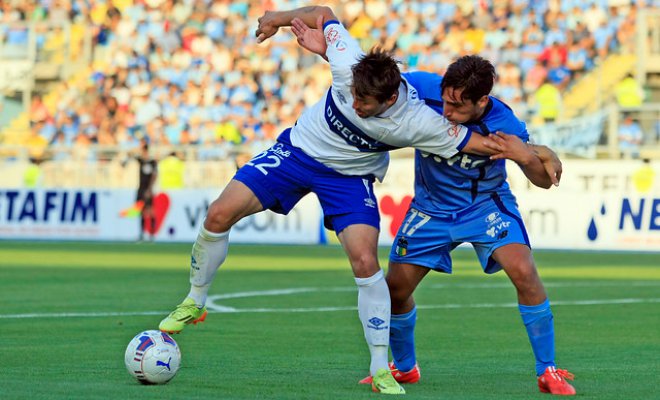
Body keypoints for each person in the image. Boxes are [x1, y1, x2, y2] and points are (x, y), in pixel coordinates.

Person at [157, 5, 552, 395]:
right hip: (297, 153)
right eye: (353, 96)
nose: (355, 104)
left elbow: (483, 143)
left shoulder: (421, 122)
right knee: (219, 213)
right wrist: (277, 20)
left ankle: (383, 368)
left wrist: (535, 152)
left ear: (390, 97)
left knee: (366, 262)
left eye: (365, 103)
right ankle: (195, 299)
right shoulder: (349, 62)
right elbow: (324, 12)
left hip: (350, 178)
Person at [290, 19, 572, 396]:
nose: (448, 111)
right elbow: (375, 79)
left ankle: (548, 369)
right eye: (447, 99)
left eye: (458, 106)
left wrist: (528, 155)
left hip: (484, 208)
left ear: (482, 102)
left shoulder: (505, 122)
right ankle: (405, 367)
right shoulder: (422, 87)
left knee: (524, 272)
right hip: (431, 210)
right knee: (394, 291)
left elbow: (542, 180)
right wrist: (325, 48)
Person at [136, 142, 157, 242]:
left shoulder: (152, 162)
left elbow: (154, 175)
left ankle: (152, 235)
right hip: (140, 189)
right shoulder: (140, 160)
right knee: (141, 211)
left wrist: (150, 189)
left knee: (150, 211)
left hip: (148, 189)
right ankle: (142, 234)